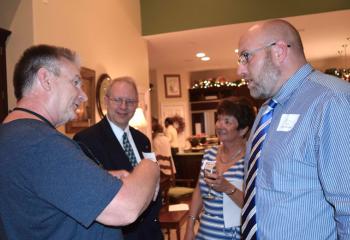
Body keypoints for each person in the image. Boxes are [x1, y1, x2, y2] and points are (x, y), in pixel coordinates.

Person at [0, 45, 159, 240]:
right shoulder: (41, 143)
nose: (83, 95)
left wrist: (103, 178)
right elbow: (126, 209)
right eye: (76, 82)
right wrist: (149, 166)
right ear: (45, 79)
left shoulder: (13, 137)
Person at [237, 19, 350, 239]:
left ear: (279, 51)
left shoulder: (332, 100)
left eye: (246, 57)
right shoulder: (266, 111)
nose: (240, 70)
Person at [73, 77, 163, 240]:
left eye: (129, 101)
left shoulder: (143, 141)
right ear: (107, 100)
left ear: (137, 104)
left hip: (150, 232)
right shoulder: (86, 140)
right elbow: (90, 194)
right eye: (118, 100)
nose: (123, 106)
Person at [184, 97, 256, 240]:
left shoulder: (251, 160)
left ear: (243, 130)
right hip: (204, 233)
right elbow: (199, 190)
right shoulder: (209, 154)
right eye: (219, 119)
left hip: (234, 235)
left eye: (227, 121)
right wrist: (190, 227)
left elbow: (254, 206)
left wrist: (227, 187)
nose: (219, 125)